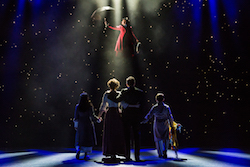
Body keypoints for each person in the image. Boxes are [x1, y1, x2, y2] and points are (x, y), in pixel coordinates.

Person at [109, 76, 144, 161]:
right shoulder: (140, 92)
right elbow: (143, 105)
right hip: (136, 116)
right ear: (134, 83)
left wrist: (111, 95)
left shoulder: (124, 91)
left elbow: (117, 100)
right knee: (137, 137)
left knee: (127, 137)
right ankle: (137, 156)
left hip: (126, 117)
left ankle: (127, 156)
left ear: (127, 84)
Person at [98, 78, 126, 162]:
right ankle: (117, 151)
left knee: (110, 132)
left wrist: (99, 116)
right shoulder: (119, 93)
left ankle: (111, 152)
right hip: (117, 113)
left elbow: (103, 106)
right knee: (117, 132)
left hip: (110, 114)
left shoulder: (106, 94)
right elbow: (123, 105)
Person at [141, 93, 174, 159]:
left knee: (158, 139)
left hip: (158, 124)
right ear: (163, 99)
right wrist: (172, 125)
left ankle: (160, 153)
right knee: (166, 138)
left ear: (156, 99)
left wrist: (143, 121)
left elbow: (149, 116)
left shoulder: (155, 107)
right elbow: (170, 117)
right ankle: (165, 151)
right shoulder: (166, 107)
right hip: (165, 124)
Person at [73, 92, 99, 160]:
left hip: (81, 124)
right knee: (87, 139)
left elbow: (76, 117)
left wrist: (76, 125)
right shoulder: (89, 106)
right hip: (87, 124)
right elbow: (92, 116)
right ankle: (85, 154)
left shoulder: (78, 106)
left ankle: (78, 151)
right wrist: (97, 120)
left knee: (80, 138)